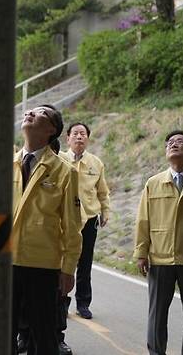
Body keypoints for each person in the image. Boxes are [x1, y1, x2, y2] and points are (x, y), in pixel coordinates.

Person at [12, 104, 82, 355]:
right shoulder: (5, 165)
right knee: (1, 333)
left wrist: (68, 268)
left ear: (51, 130)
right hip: (5, 262)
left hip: (42, 265)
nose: (31, 113)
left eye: (40, 113)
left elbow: (73, 225)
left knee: (43, 336)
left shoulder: (64, 171)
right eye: (30, 110)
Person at [135, 130, 183, 355]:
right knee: (157, 315)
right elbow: (143, 220)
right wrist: (141, 252)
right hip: (160, 258)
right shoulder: (153, 183)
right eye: (170, 143)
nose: (174, 144)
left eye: (181, 142)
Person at [60, 123, 110, 323]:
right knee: (63, 261)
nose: (79, 137)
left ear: (87, 139)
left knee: (85, 263)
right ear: (68, 138)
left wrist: (105, 210)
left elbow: (103, 192)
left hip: (88, 218)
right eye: (75, 133)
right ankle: (61, 301)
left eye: (83, 134)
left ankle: (83, 304)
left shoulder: (96, 163)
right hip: (65, 219)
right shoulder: (60, 160)